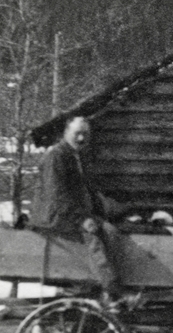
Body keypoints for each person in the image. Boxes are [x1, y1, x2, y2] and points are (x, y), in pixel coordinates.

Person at [32, 116, 125, 302]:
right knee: (95, 236)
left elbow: (87, 192)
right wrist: (81, 219)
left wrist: (107, 212)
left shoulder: (77, 157)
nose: (82, 138)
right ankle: (111, 290)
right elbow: (56, 195)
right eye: (77, 134)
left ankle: (106, 286)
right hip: (54, 217)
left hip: (69, 215)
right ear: (66, 133)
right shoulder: (56, 156)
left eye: (85, 134)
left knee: (111, 231)